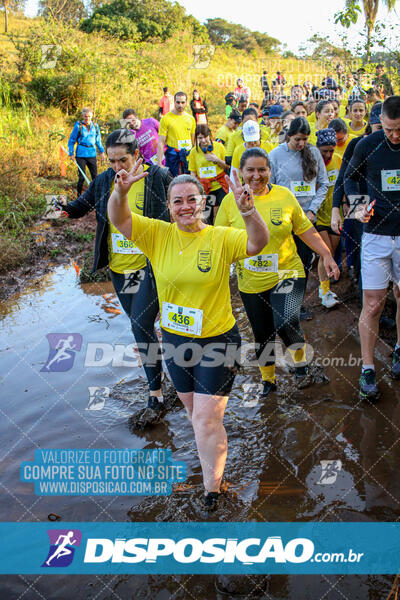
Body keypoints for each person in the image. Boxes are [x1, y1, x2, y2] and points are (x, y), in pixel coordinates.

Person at [108, 169, 269, 509]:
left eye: (191, 199)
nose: (185, 206)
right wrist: (121, 192)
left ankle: (213, 490)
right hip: (176, 343)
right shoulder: (157, 235)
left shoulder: (221, 237)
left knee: (204, 419)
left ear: (204, 203)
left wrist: (248, 212)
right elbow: (118, 218)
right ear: (168, 206)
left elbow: (258, 243)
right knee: (199, 415)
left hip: (218, 342)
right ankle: (215, 464)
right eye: (177, 201)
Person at [62, 130, 172, 412]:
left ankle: (156, 393)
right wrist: (65, 209)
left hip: (151, 265)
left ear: (137, 155)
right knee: (142, 327)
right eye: (111, 161)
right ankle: (161, 375)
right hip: (120, 270)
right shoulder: (104, 181)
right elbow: (82, 204)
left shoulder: (157, 177)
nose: (117, 167)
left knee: (140, 324)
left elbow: (182, 206)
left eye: (122, 160)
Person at [216, 148, 339, 396]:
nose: (256, 175)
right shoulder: (230, 202)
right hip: (251, 280)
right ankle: (269, 381)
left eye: (262, 169)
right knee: (262, 333)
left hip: (287, 272)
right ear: (241, 172)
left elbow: (305, 229)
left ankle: (301, 364)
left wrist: (326, 254)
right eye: (250, 169)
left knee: (285, 320)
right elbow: (218, 241)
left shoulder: (284, 196)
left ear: (270, 171)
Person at [344, 96, 400, 400]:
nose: (394, 136)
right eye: (389, 129)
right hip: (376, 234)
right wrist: (358, 207)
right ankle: (367, 368)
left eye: (399, 130)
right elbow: (349, 179)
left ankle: (399, 351)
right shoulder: (368, 144)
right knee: (374, 303)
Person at [269, 117, 329, 320]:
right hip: (283, 221)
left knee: (302, 264)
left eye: (304, 139)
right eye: (297, 139)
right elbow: (268, 189)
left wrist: (313, 209)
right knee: (283, 263)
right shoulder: (275, 155)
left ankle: (296, 306)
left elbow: (324, 183)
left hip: (306, 220)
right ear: (289, 136)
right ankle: (281, 306)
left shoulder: (313, 153)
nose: (301, 143)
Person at [315, 128, 343, 308]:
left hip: (335, 213)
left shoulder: (339, 161)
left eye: (331, 150)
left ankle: (324, 288)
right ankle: (324, 292)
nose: (327, 154)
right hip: (316, 215)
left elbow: (343, 184)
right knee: (325, 253)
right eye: (324, 150)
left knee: (331, 251)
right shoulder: (311, 163)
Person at [188, 125, 229, 222]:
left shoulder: (219, 147)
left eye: (205, 137)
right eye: (200, 138)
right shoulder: (194, 151)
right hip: (203, 187)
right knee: (203, 217)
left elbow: (227, 167)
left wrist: (217, 160)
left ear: (209, 135)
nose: (203, 140)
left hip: (220, 186)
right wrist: (193, 189)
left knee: (219, 216)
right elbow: (193, 172)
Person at [67, 107, 105, 197]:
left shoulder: (95, 126)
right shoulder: (78, 126)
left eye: (89, 116)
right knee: (81, 177)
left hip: (92, 154)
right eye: (85, 116)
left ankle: (96, 197)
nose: (87, 118)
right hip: (81, 154)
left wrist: (102, 152)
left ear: (91, 116)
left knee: (95, 177)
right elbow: (71, 140)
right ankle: (79, 197)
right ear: (82, 116)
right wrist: (71, 153)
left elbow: (98, 140)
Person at [157, 92, 196, 177]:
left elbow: (194, 142)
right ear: (174, 102)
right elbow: (161, 141)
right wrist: (159, 163)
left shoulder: (191, 119)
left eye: (183, 102)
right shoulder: (165, 119)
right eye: (178, 102)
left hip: (188, 158)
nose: (180, 105)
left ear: (186, 103)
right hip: (173, 158)